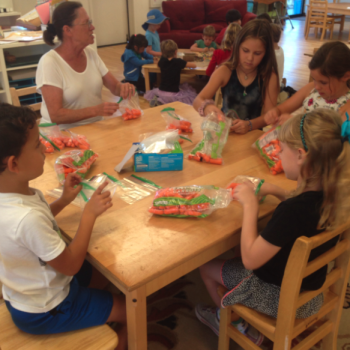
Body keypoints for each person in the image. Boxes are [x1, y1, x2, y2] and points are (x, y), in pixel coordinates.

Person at [195, 108, 350, 344]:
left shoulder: (291, 212)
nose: (277, 154)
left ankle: (234, 323)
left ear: (300, 155)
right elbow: (302, 211)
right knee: (237, 252)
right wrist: (276, 190)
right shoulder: (336, 195)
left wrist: (249, 204)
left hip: (279, 297)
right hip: (312, 293)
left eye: (282, 149)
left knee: (205, 266)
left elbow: (250, 260)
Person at [0, 104, 128, 350]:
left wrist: (64, 200)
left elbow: (34, 226)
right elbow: (70, 266)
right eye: (38, 145)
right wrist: (88, 215)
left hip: (25, 295)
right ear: (14, 164)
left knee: (104, 268)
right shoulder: (25, 219)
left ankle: (95, 309)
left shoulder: (13, 196)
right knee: (132, 309)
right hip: (48, 309)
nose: (45, 150)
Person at [36, 1, 135, 130]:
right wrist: (95, 111)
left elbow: (115, 87)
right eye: (86, 23)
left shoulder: (91, 54)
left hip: (94, 128)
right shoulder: (49, 62)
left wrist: (123, 87)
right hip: (62, 136)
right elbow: (56, 115)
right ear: (67, 30)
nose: (92, 27)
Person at [193, 19, 279, 134]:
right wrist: (207, 107)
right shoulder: (225, 70)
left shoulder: (269, 77)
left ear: (266, 53)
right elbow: (197, 100)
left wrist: (249, 125)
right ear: (237, 46)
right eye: (245, 50)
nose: (250, 58)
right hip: (224, 134)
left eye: (257, 53)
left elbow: (269, 116)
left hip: (252, 136)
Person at [264, 41, 350, 126]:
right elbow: (281, 110)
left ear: (346, 76)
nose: (317, 86)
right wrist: (274, 112)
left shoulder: (347, 105)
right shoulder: (311, 89)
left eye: (323, 82)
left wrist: (297, 123)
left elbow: (329, 135)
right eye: (314, 79)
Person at [144, 39, 197, 106]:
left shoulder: (162, 61)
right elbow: (194, 66)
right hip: (173, 93)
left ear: (162, 52)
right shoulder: (178, 62)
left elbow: (158, 64)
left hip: (161, 91)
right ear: (175, 52)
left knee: (163, 95)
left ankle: (159, 100)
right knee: (188, 93)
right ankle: (164, 101)